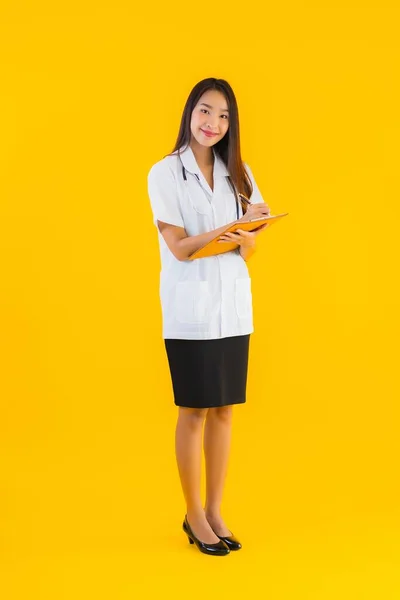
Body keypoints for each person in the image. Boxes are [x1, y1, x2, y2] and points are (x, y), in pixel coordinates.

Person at [147, 77, 270, 556]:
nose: (213, 124)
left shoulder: (239, 172)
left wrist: (251, 239)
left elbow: (248, 245)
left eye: (223, 116)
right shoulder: (164, 173)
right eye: (205, 111)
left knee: (223, 411)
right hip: (191, 311)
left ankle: (216, 510)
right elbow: (179, 248)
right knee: (194, 411)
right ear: (189, 112)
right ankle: (193, 513)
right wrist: (231, 230)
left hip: (232, 309)